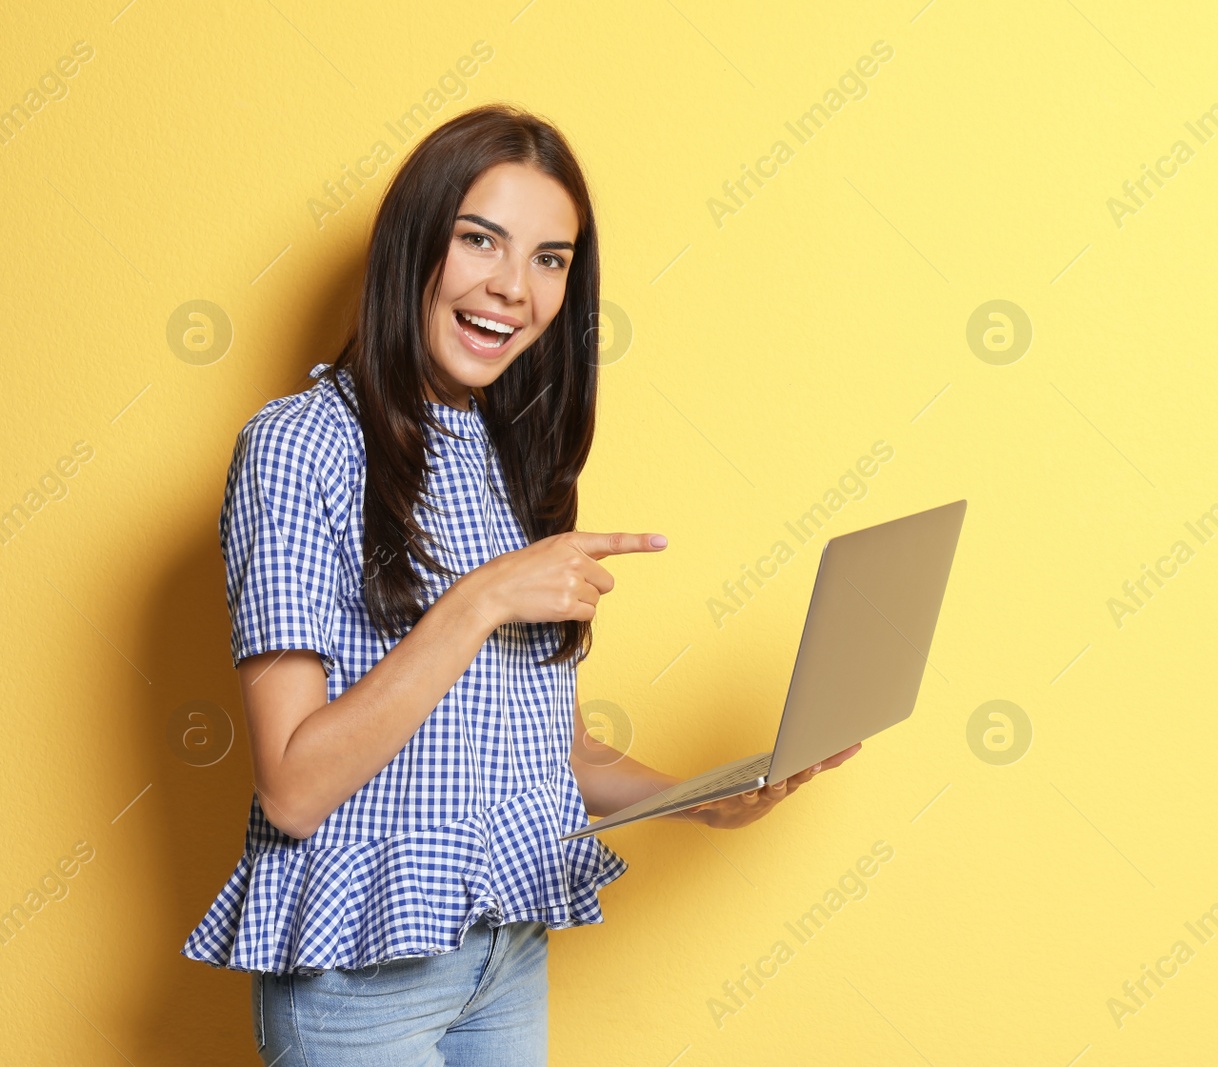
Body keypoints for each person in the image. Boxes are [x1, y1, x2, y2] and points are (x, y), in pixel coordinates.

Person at [179, 102, 859, 1066]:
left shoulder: (508, 456)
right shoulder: (298, 447)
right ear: (414, 244)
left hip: (504, 949)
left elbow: (546, 749)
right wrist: (484, 597)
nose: (512, 288)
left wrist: (709, 797)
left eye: (550, 258)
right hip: (362, 984)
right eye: (478, 241)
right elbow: (292, 787)